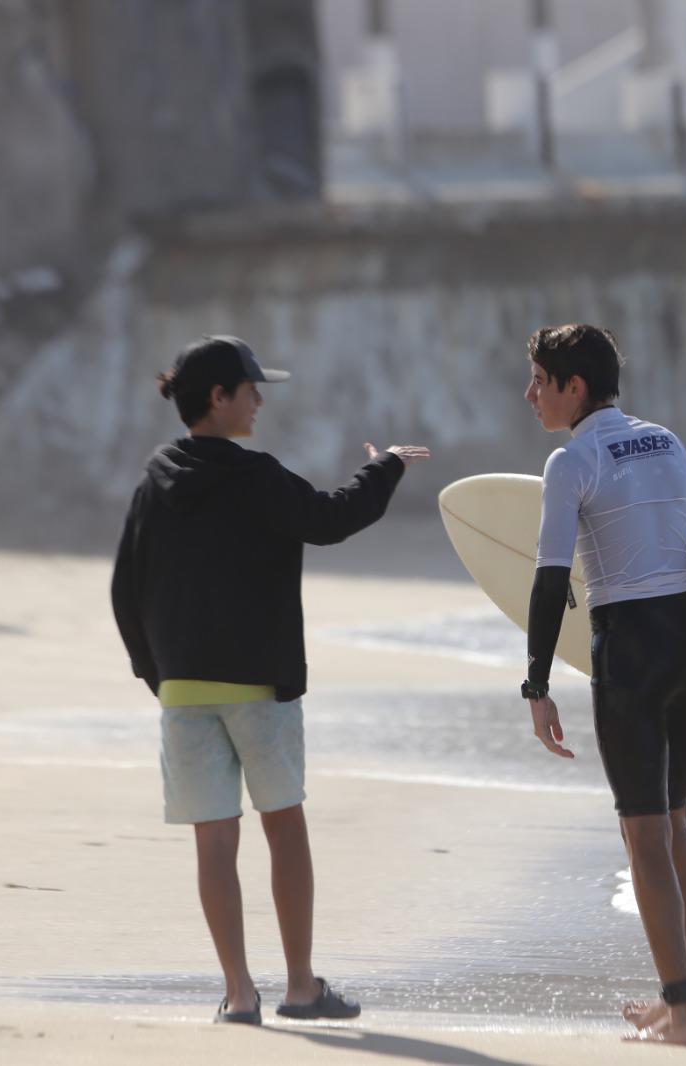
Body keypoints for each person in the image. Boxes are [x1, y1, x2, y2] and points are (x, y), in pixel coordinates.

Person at [110, 335, 430, 1025]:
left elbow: (123, 589)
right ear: (217, 398)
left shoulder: (154, 482)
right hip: (259, 687)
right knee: (284, 829)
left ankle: (239, 993)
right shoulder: (253, 475)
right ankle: (300, 987)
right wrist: (386, 468)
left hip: (185, 692)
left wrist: (158, 674)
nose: (259, 399)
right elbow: (330, 519)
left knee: (214, 841)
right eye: (249, 389)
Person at [519, 323, 686, 1046]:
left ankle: (684, 1015)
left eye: (540, 380)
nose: (530, 393)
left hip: (630, 655)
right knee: (672, 823)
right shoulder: (666, 441)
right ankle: (679, 998)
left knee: (642, 837)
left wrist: (536, 685)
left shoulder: (571, 460)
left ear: (575, 387)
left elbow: (548, 582)